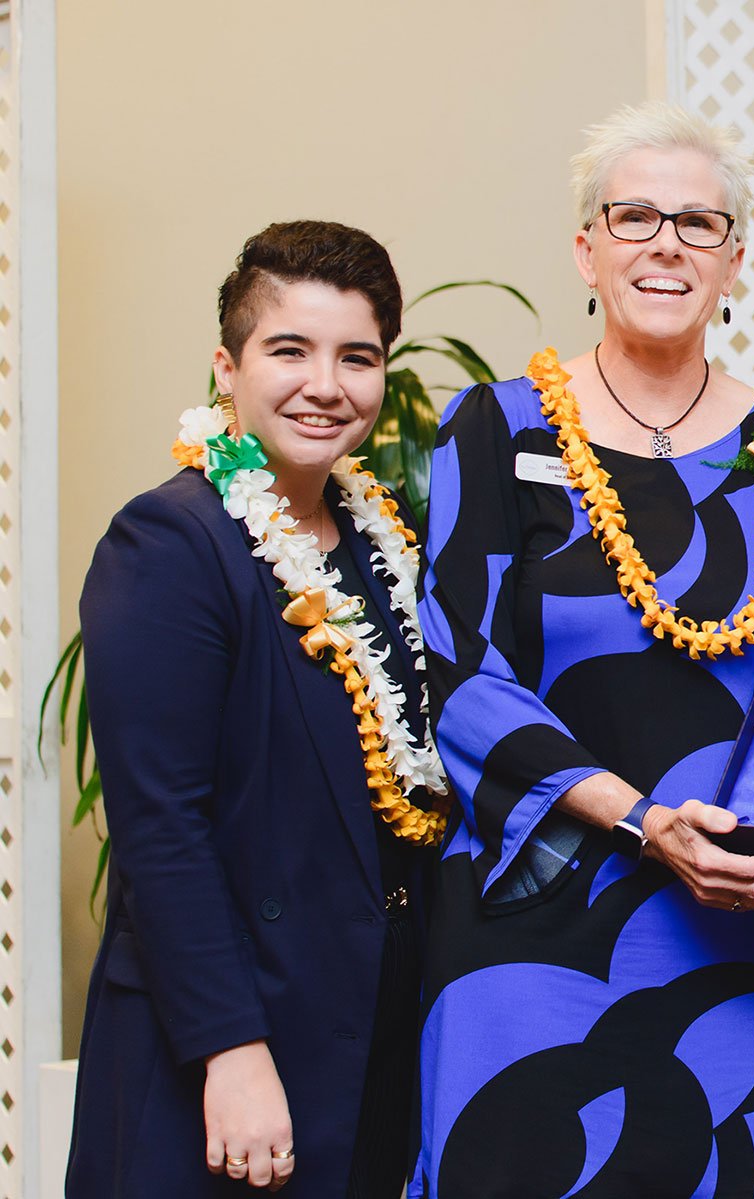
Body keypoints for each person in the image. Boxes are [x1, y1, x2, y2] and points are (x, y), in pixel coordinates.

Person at [412, 102, 754, 1198]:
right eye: (637, 216)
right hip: (542, 925)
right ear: (588, 250)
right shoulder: (497, 426)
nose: (667, 242)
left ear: (735, 260)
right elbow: (458, 670)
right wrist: (644, 818)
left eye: (700, 224)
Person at [66, 221, 446, 1196]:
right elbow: (162, 830)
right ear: (227, 368)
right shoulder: (169, 542)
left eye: (357, 356)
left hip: (361, 1036)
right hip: (225, 1049)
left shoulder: (381, 546)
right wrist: (231, 1052)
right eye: (290, 350)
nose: (326, 384)